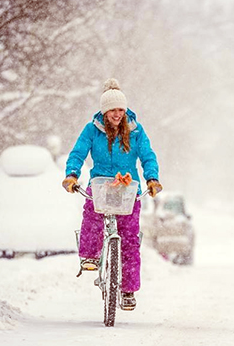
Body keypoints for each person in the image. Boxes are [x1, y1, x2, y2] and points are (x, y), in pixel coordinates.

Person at [61, 78, 162, 311]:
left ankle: (128, 291)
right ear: (105, 111)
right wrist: (72, 174)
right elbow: (78, 153)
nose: (117, 114)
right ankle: (89, 256)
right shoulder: (92, 130)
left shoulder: (136, 131)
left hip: (128, 189)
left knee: (129, 241)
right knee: (92, 217)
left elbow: (148, 156)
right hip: (101, 185)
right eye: (113, 110)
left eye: (121, 110)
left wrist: (152, 178)